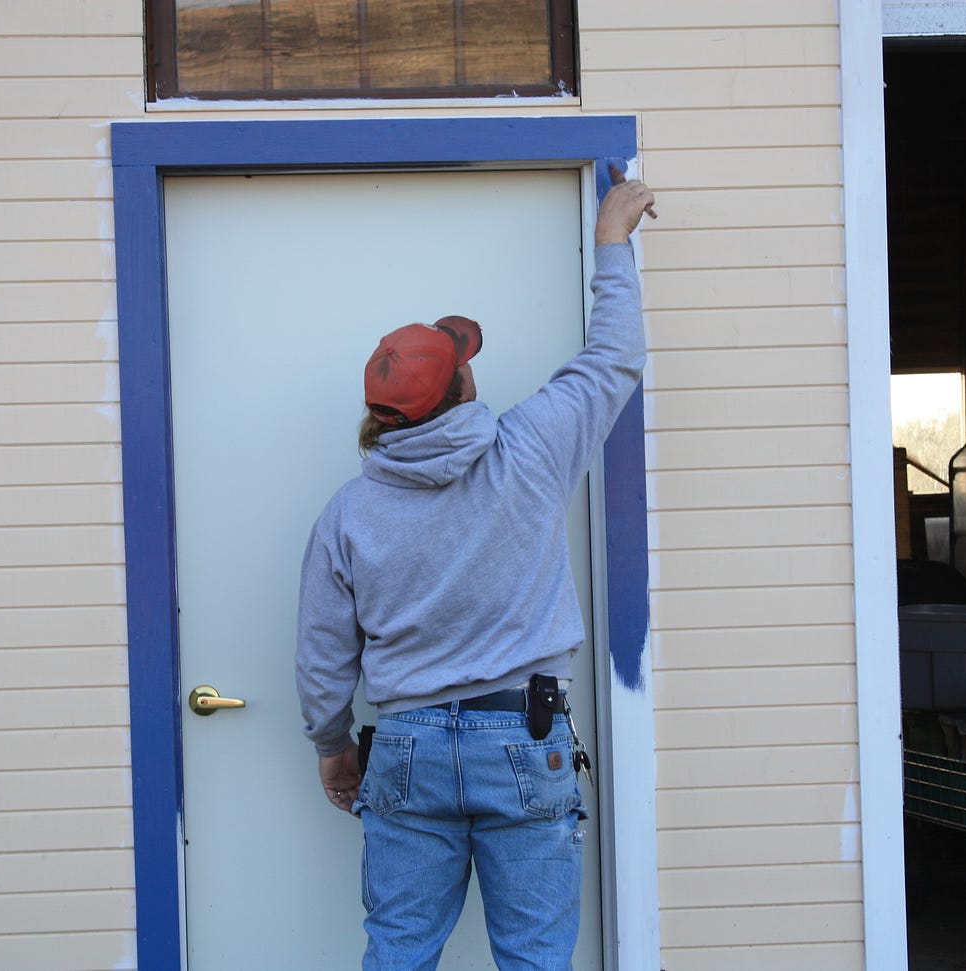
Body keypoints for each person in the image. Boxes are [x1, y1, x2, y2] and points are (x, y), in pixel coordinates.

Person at [295, 172, 656, 971]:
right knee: (533, 960)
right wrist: (611, 244)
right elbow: (615, 357)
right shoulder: (530, 450)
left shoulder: (348, 514)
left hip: (407, 747)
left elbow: (324, 652)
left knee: (398, 955)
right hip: (524, 739)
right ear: (462, 389)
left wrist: (332, 745)